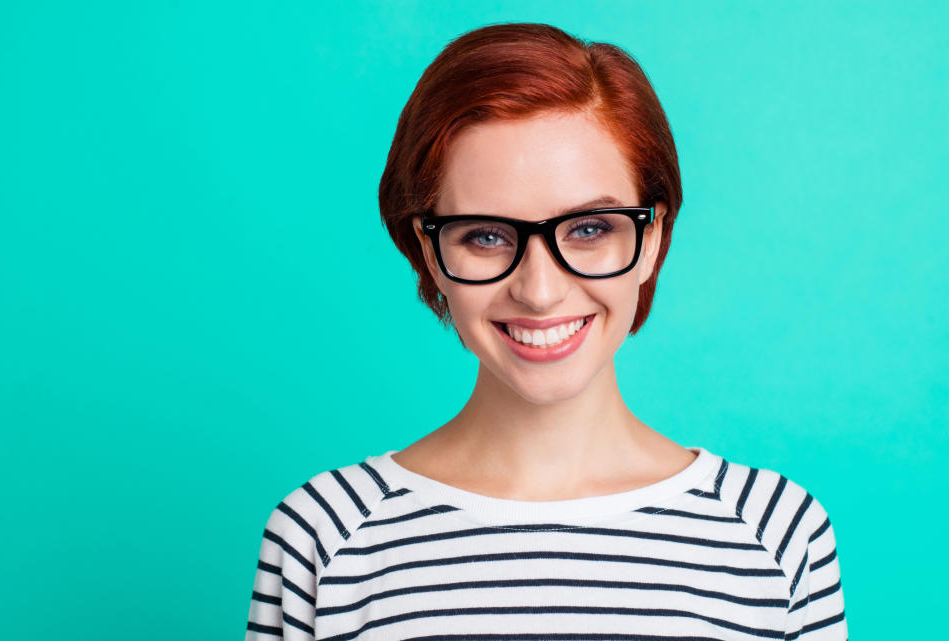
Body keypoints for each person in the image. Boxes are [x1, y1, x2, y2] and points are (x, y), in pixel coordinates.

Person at [245, 22, 847, 640]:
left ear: (653, 237)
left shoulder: (774, 534)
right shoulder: (324, 536)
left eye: (589, 228)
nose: (539, 291)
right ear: (428, 252)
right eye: (485, 235)